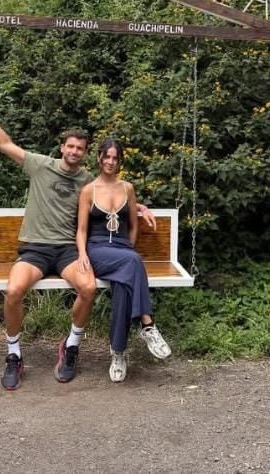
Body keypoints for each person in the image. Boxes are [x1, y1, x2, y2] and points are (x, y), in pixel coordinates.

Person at [0, 94, 97, 391]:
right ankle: (14, 355)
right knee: (13, 291)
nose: (74, 151)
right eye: (70, 146)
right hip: (36, 248)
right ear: (62, 148)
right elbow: (5, 144)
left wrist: (138, 206)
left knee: (89, 288)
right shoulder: (40, 165)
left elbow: (113, 192)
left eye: (80, 148)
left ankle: (71, 347)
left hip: (67, 249)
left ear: (85, 153)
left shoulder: (88, 180)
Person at [75, 138, 172, 383]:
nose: (110, 161)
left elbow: (133, 225)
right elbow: (82, 231)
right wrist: (83, 254)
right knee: (132, 262)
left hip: (122, 250)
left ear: (120, 162)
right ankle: (147, 325)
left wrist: (127, 247)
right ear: (98, 157)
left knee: (123, 286)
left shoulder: (127, 188)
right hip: (97, 250)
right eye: (106, 156)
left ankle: (117, 353)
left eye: (115, 158)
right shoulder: (89, 190)